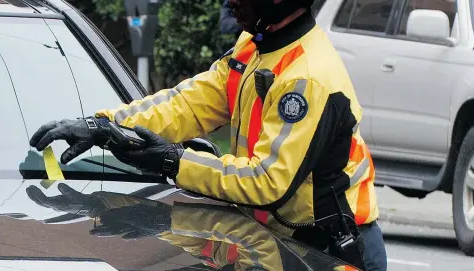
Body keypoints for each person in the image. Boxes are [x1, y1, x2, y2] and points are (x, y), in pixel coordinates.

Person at [28, 0, 386, 269]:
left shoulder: (306, 76)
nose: (227, 0)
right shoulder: (255, 47)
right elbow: (186, 104)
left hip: (328, 251)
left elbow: (267, 181)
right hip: (272, 244)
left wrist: (173, 160)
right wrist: (101, 125)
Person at [27, 183, 361, 271]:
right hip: (316, 221)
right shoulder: (268, 264)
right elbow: (243, 235)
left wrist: (103, 206)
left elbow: (199, 241)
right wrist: (104, 204)